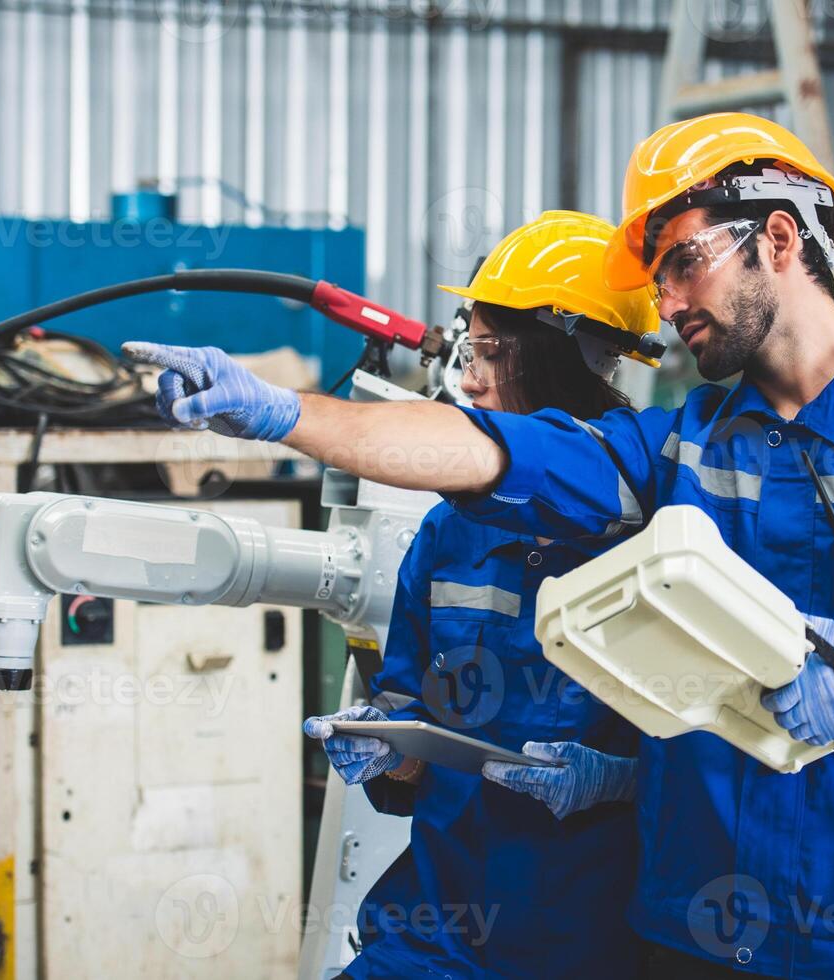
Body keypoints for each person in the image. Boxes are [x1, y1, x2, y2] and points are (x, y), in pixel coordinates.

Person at [128, 113, 834, 979]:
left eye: (682, 258)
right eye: (655, 276)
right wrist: (278, 416)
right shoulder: (684, 444)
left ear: (778, 236)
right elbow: (489, 452)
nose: (669, 301)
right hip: (689, 936)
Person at [134, 211, 663, 978]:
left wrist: (621, 781)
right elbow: (409, 716)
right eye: (466, 349)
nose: (468, 377)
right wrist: (387, 746)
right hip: (437, 932)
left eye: (489, 353)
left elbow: (731, 759)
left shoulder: (663, 525)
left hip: (590, 941)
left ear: (567, 355)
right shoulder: (452, 530)